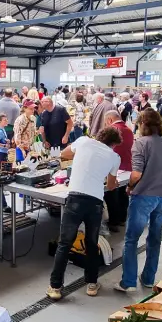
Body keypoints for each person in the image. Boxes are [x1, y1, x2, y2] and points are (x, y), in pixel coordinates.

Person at [46, 127, 122, 301]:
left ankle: (55, 287)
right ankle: (92, 285)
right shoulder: (114, 157)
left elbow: (64, 154)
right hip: (94, 203)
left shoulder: (83, 141)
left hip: (74, 199)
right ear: (113, 144)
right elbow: (111, 186)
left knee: (64, 243)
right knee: (91, 243)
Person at [114, 108, 162, 292]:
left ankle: (128, 281)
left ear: (142, 124)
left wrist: (130, 186)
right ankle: (148, 278)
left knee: (132, 239)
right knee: (155, 238)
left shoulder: (140, 143)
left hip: (144, 196)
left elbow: (137, 172)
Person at [102, 110, 132, 233]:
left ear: (109, 120)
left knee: (111, 193)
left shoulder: (111, 131)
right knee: (123, 194)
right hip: (127, 166)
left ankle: (113, 221)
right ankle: (122, 218)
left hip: (113, 167)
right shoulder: (129, 130)